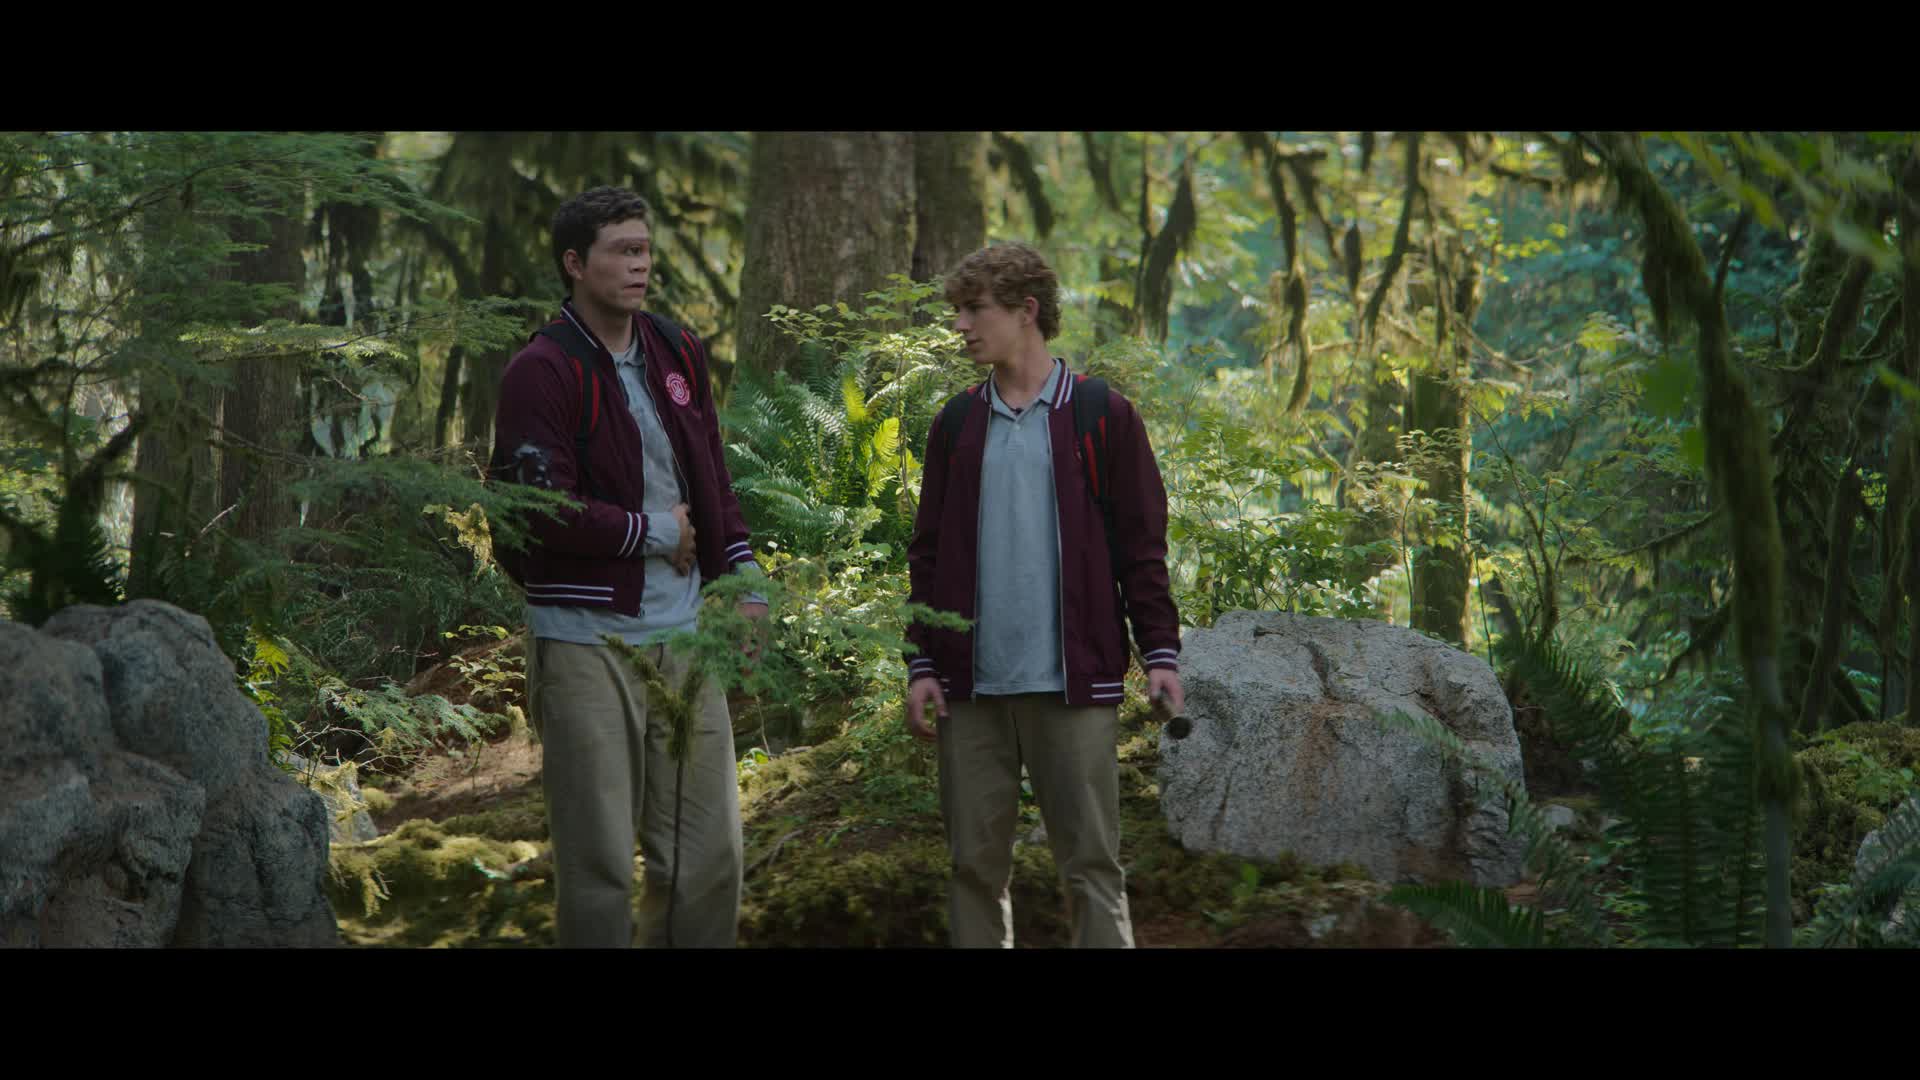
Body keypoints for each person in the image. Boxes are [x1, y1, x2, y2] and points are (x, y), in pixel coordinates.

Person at [489, 186, 764, 948]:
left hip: (684, 635)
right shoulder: (542, 370)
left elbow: (712, 476)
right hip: (585, 641)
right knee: (600, 864)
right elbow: (534, 509)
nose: (640, 264)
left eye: (644, 250)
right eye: (622, 251)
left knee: (709, 857)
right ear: (575, 264)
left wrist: (744, 580)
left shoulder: (676, 350)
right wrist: (649, 533)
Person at [903, 241, 1184, 948]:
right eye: (958, 311)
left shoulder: (1100, 415)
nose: (961, 325)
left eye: (975, 309)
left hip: (1073, 685)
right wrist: (922, 663)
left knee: (1091, 866)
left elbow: (1142, 547)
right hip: (970, 691)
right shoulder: (957, 424)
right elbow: (927, 554)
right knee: (973, 869)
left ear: (1026, 310)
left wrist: (1160, 653)